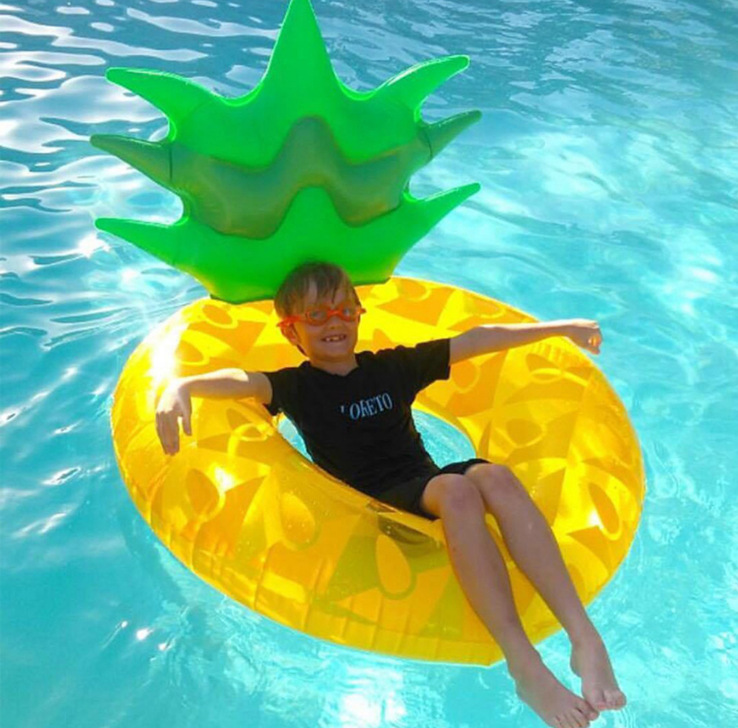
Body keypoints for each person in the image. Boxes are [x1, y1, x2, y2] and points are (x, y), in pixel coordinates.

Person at [156, 261, 626, 728]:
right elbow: (242, 382)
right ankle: (524, 664)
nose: (334, 323)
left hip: (425, 485)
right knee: (457, 490)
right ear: (291, 331)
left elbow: (475, 340)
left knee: (496, 477)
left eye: (345, 310)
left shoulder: (390, 368)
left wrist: (559, 328)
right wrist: (183, 386)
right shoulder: (296, 386)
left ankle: (584, 638)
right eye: (316, 316)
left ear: (360, 314)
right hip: (375, 511)